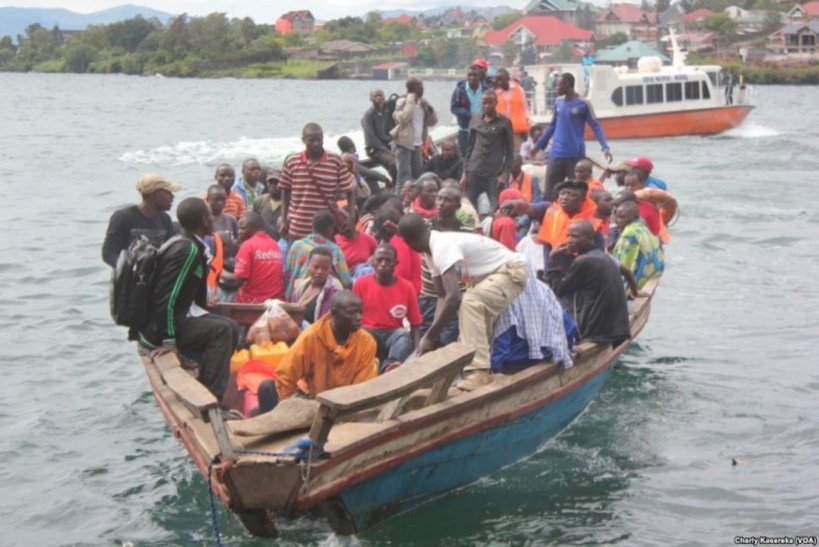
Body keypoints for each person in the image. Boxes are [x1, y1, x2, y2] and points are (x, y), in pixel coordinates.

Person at [398, 213, 528, 391]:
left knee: (470, 302)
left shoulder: (441, 246)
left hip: (510, 271)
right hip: (492, 278)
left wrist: (429, 336)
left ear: (408, 242)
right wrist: (431, 337)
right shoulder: (429, 251)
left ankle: (479, 371)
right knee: (472, 327)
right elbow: (442, 296)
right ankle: (480, 371)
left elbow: (454, 297)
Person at [138, 197, 238, 401]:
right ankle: (211, 397)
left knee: (232, 327)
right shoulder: (187, 251)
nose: (213, 220)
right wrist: (169, 341)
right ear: (204, 220)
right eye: (210, 217)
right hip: (161, 329)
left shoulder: (186, 242)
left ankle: (203, 373)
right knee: (222, 332)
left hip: (179, 317)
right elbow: (167, 297)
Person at [275, 290, 377, 401]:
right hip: (312, 401)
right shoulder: (311, 337)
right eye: (351, 313)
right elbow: (284, 377)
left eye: (360, 312)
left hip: (348, 405)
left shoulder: (367, 342)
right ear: (334, 313)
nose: (359, 318)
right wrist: (292, 406)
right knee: (267, 387)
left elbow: (363, 388)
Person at [530, 73, 613, 201]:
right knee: (550, 193)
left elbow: (595, 126)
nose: (556, 88)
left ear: (567, 84)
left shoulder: (583, 103)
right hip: (556, 154)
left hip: (575, 155)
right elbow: (551, 126)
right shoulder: (558, 102)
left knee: (576, 193)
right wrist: (538, 146)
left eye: (559, 85)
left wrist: (605, 147)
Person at [553, 220, 630, 347]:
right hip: (616, 329)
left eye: (575, 236)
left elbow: (559, 290)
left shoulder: (584, 260)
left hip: (597, 333)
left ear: (589, 239)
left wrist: (552, 260)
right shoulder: (602, 256)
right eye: (568, 236)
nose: (569, 240)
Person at [279, 122, 355, 242]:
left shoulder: (335, 161)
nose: (316, 144)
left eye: (319, 140)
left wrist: (351, 217)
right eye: (311, 140)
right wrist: (283, 220)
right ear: (303, 140)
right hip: (298, 228)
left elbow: (349, 190)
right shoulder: (292, 162)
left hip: (325, 230)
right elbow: (285, 191)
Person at [353, 244, 422, 373]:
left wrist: (417, 348)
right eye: (379, 259)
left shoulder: (407, 287)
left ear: (396, 263)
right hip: (368, 331)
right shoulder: (361, 284)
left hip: (392, 333)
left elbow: (415, 323)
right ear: (373, 261)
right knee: (362, 335)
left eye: (388, 260)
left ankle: (390, 368)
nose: (383, 264)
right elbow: (352, 315)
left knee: (402, 335)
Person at [102, 173, 178, 267]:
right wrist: (128, 268)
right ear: (154, 194)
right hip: (128, 279)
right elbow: (109, 253)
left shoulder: (165, 220)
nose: (172, 197)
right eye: (168, 193)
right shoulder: (123, 217)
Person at [461, 90, 514, 216]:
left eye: (490, 103)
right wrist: (465, 172)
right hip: (474, 171)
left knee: (496, 209)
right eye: (484, 103)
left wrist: (504, 174)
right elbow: (469, 147)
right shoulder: (475, 120)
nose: (487, 106)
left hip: (494, 174)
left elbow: (510, 151)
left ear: (496, 103)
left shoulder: (505, 122)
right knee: (467, 207)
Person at [219, 212, 285, 304]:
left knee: (221, 293)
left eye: (243, 228)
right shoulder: (274, 244)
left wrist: (216, 269)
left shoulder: (248, 245)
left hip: (252, 301)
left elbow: (236, 281)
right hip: (275, 299)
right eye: (238, 229)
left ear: (256, 227)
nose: (239, 232)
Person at [284, 210, 352, 300]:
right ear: (330, 228)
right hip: (323, 299)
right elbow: (347, 282)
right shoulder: (335, 250)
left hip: (295, 296)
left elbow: (286, 273)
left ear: (312, 226)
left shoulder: (297, 245)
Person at [391, 77, 438, 191]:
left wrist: (429, 109)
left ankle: (414, 201)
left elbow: (433, 122)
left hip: (417, 144)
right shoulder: (402, 101)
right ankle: (400, 202)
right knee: (403, 177)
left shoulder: (423, 102)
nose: (422, 89)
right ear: (413, 88)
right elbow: (403, 118)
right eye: (420, 86)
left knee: (417, 176)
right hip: (404, 144)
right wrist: (411, 101)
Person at [612, 201, 664, 290]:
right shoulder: (641, 226)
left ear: (635, 216)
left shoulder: (629, 233)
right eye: (617, 217)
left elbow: (625, 264)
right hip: (653, 274)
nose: (619, 221)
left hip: (639, 282)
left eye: (623, 217)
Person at [290, 246, 345, 324]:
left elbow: (328, 323)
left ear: (330, 269)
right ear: (308, 266)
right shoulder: (301, 286)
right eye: (316, 267)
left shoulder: (334, 291)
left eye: (325, 268)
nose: (320, 271)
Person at [373, 209, 422, 293]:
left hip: (410, 291)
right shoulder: (397, 240)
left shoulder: (398, 242)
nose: (375, 234)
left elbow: (401, 274)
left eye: (376, 230)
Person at [361, 88, 397, 182]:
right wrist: (388, 151)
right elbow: (371, 139)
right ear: (371, 99)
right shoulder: (368, 115)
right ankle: (396, 186)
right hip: (375, 148)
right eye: (376, 96)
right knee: (393, 163)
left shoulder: (387, 112)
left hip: (389, 145)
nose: (378, 98)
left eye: (380, 95)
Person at [494, 67, 531, 153]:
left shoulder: (519, 90)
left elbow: (525, 109)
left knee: (518, 156)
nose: (498, 82)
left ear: (507, 79)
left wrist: (527, 127)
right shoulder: (495, 93)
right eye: (497, 80)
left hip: (517, 131)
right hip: (502, 132)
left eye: (500, 80)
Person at [450, 67, 485, 157]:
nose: (472, 77)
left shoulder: (485, 89)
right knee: (464, 157)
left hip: (481, 129)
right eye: (470, 75)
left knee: (480, 156)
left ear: (479, 76)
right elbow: (454, 108)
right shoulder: (459, 90)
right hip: (465, 129)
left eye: (475, 75)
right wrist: (469, 114)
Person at [335, 208, 378, 277]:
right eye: (340, 223)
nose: (342, 227)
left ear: (355, 222)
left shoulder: (369, 240)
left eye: (346, 224)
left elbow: (378, 258)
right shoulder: (334, 241)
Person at [252, 168, 284, 239]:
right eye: (270, 182)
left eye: (276, 182)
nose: (273, 185)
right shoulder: (259, 201)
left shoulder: (290, 204)